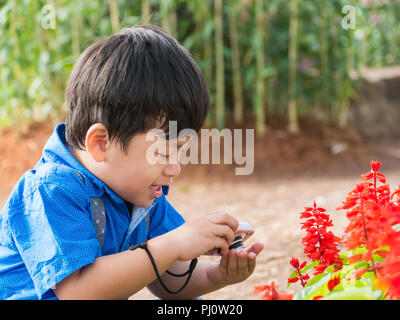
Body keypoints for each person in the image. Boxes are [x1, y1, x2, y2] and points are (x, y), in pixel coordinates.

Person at [0, 24, 263, 300]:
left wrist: (216, 274)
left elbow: (170, 279)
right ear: (102, 143)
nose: (175, 168)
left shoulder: (142, 195)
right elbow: (78, 293)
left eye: (180, 151)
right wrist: (173, 243)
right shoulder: (51, 190)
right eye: (162, 153)